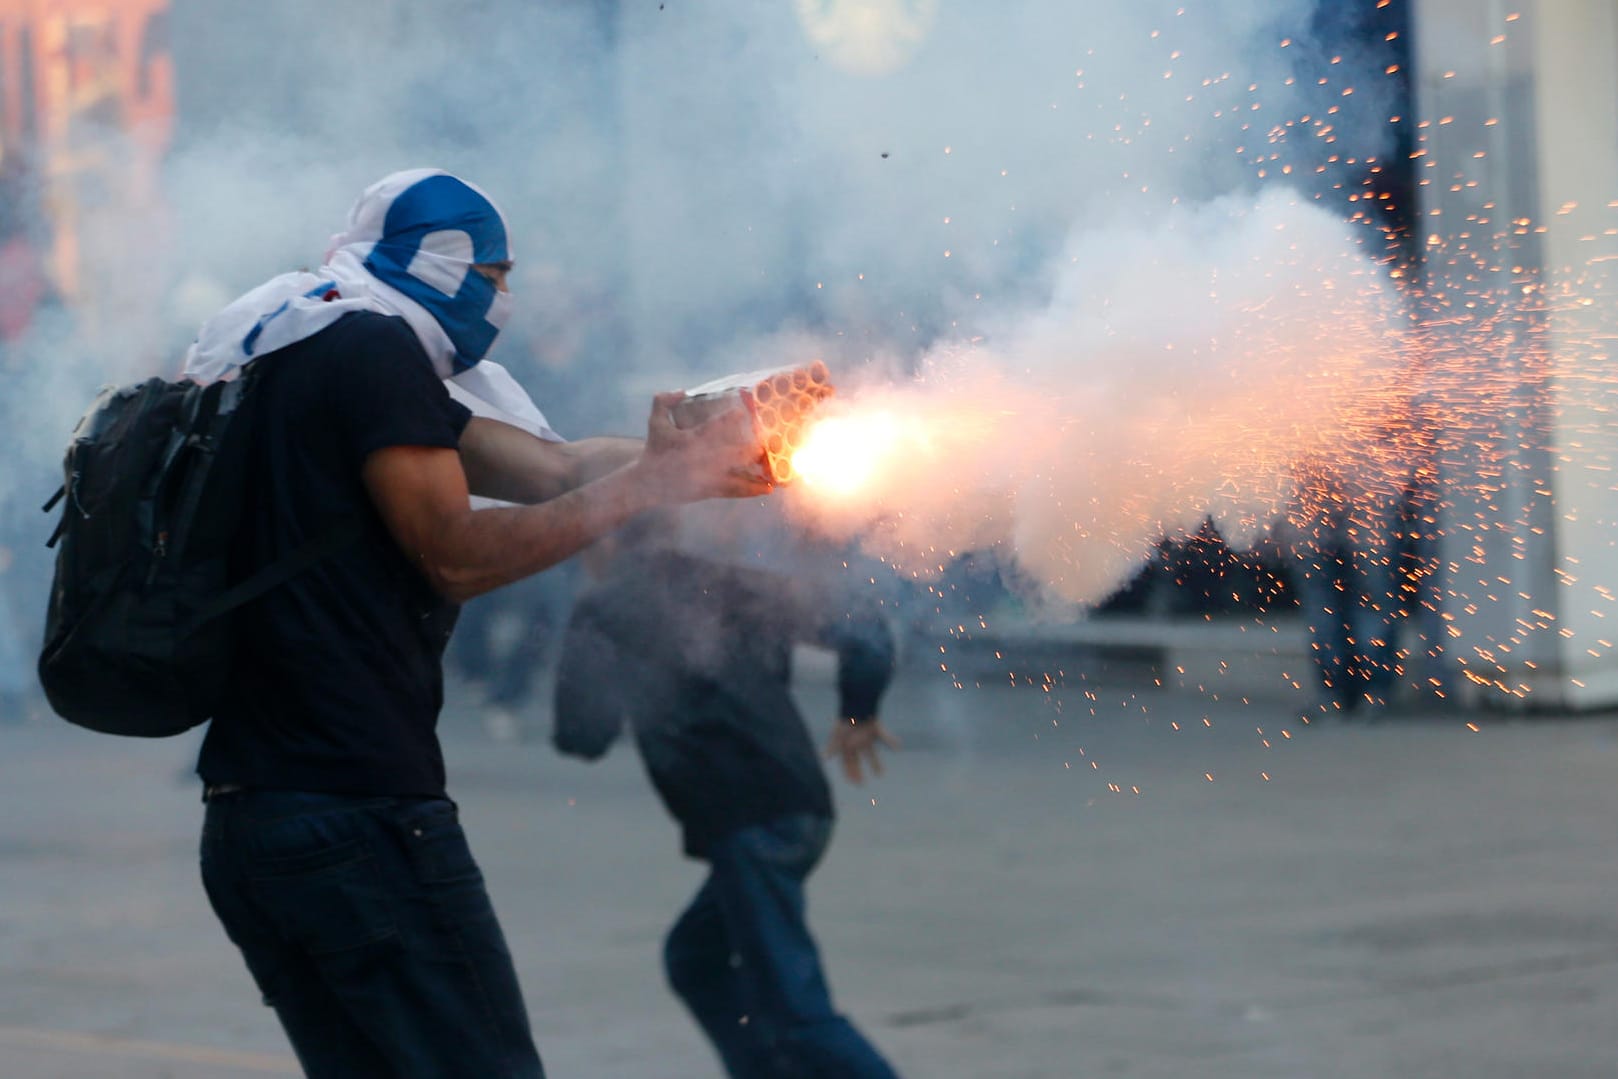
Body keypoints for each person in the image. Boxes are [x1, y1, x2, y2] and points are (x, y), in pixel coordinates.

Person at [188, 168, 770, 1078]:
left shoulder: (304, 343)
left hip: (258, 821)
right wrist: (648, 486)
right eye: (495, 275)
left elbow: (554, 467)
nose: (504, 299)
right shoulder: (371, 350)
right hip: (355, 813)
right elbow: (454, 555)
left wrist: (697, 466)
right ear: (442, 263)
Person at [552, 504, 903, 1079]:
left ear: (599, 542)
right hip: (801, 808)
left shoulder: (606, 605)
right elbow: (864, 629)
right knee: (695, 958)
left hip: (749, 820)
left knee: (798, 1014)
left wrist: (598, 661)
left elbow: (581, 736)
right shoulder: (730, 581)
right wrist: (857, 712)